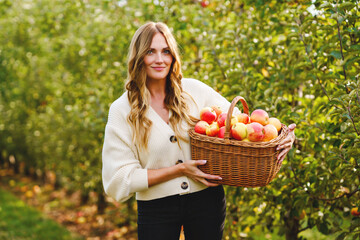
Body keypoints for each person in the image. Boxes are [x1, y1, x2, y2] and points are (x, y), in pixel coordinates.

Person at [102, 21, 296, 240]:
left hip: (206, 202)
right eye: (150, 52)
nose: (159, 59)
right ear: (139, 57)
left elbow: (243, 124)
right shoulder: (123, 109)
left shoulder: (193, 90)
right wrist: (180, 170)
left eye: (166, 51)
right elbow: (117, 179)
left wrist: (282, 135)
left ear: (173, 56)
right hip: (156, 207)